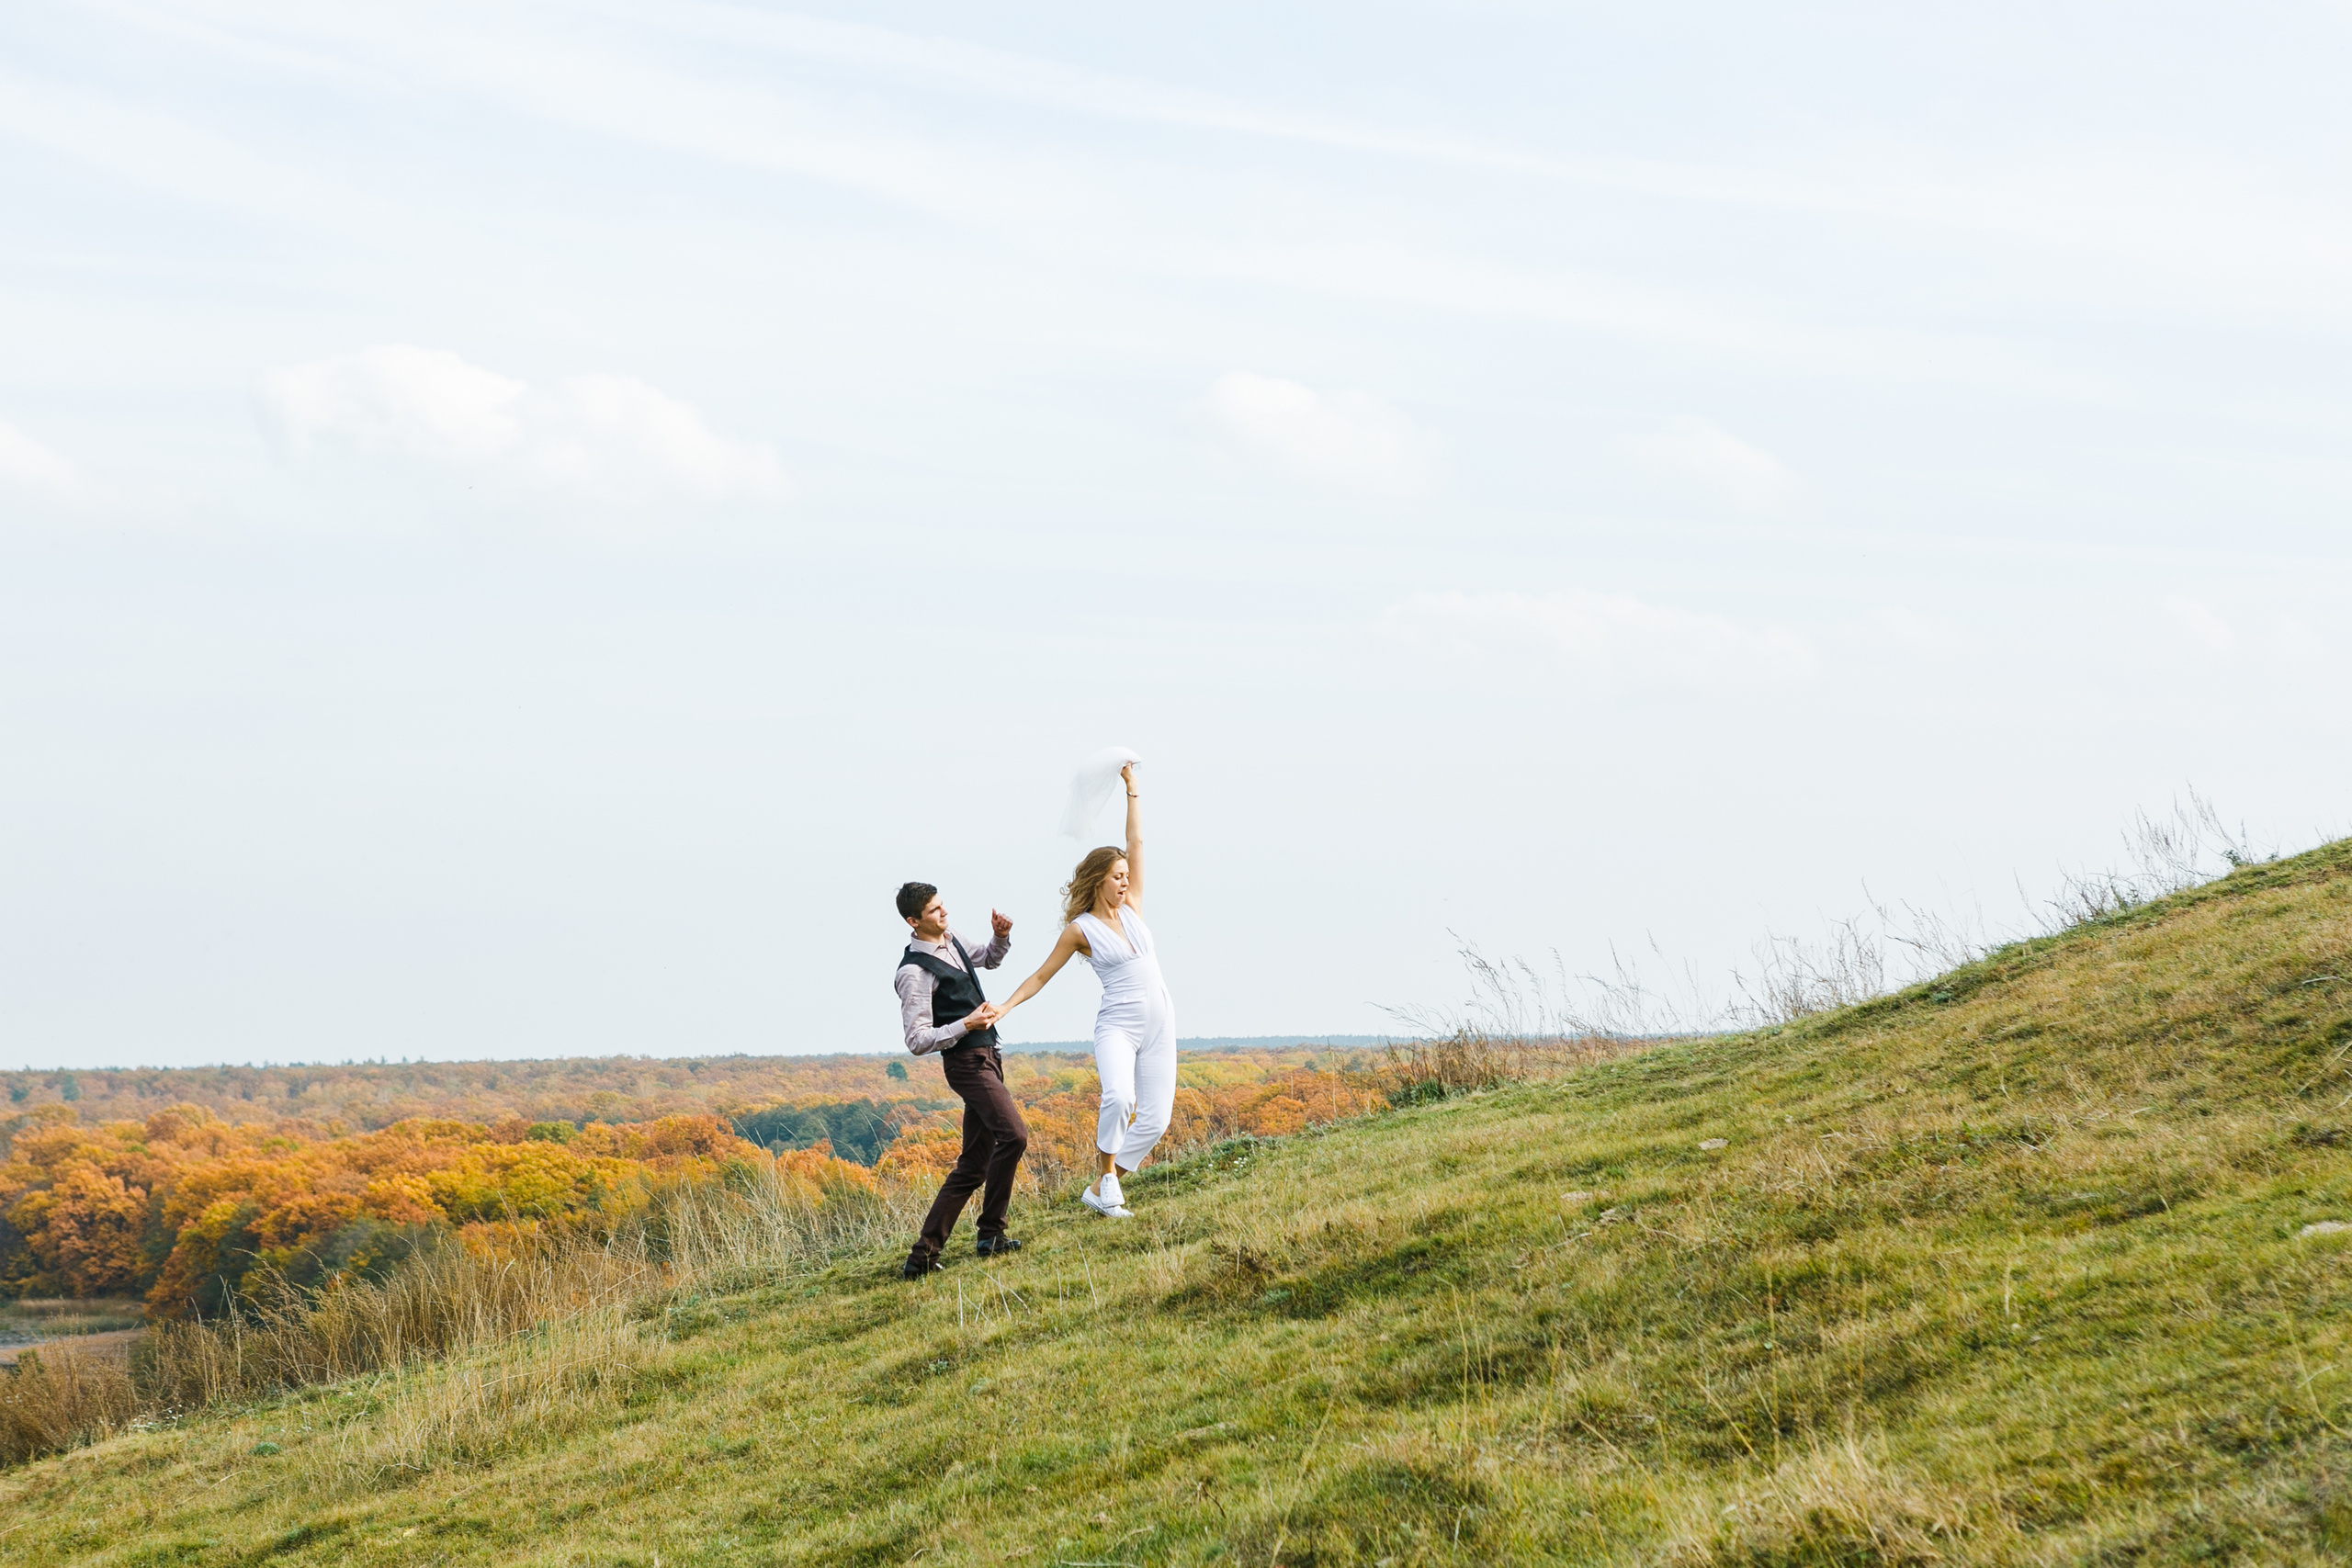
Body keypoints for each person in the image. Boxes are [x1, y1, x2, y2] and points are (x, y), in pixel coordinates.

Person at [991, 764, 1171, 1219]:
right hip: (1119, 1025)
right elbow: (1039, 976)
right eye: (1117, 876)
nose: (1126, 880)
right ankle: (1108, 1179)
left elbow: (1137, 844)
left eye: (1127, 875)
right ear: (1098, 881)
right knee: (1119, 1098)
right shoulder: (1080, 930)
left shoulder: (1133, 908)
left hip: (1161, 1021)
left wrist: (1133, 790)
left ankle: (1099, 1185)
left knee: (1155, 1120)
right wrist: (1005, 1007)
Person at [892, 883, 1026, 1278]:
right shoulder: (913, 972)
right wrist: (965, 1024)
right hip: (966, 1064)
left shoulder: (953, 940)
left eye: (941, 905)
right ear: (913, 921)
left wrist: (1000, 936)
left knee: (972, 1165)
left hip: (989, 1055)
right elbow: (916, 1040)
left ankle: (923, 1257)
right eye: (934, 911)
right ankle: (991, 1233)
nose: (943, 913)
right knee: (1015, 1136)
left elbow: (989, 958)